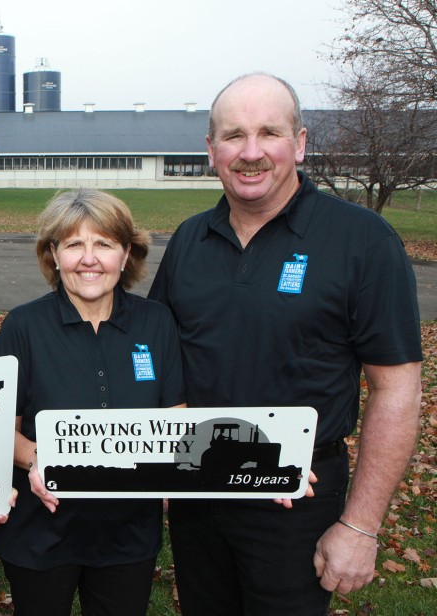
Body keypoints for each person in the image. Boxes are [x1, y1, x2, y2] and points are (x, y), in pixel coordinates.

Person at [148, 73, 422, 615]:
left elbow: (396, 388)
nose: (251, 153)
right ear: (211, 151)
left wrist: (361, 525)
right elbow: (153, 359)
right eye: (233, 136)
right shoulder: (188, 241)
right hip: (197, 490)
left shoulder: (361, 241)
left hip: (298, 498)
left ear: (299, 142)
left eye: (269, 133)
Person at [0, 189, 186, 616]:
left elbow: (176, 417)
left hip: (128, 535)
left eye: (104, 244)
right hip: (40, 532)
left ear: (126, 253)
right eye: (74, 244)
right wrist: (40, 459)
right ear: (54, 255)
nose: (89, 258)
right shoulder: (24, 326)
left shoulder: (156, 322)